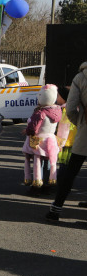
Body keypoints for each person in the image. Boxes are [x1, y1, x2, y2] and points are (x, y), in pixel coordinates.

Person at [47, 62, 87, 222]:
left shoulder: (80, 77)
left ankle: (56, 209)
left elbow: (70, 109)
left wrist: (81, 124)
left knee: (71, 171)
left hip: (85, 129)